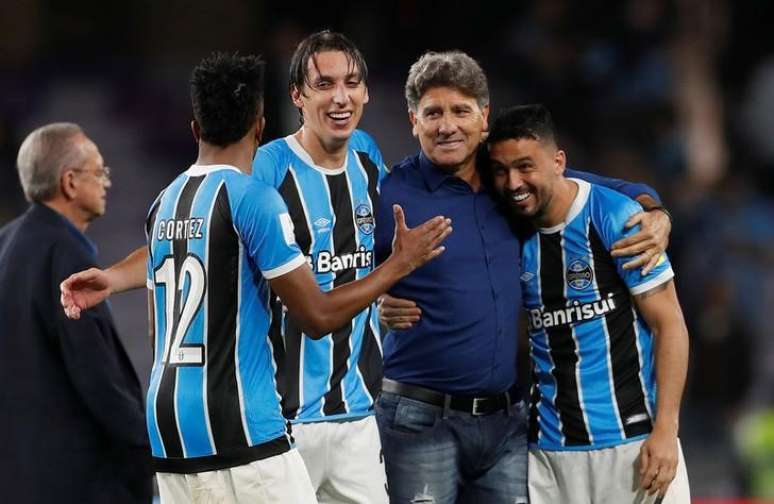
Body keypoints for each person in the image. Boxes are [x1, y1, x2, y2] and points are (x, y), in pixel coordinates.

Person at [61, 52, 450, 503]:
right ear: (262, 125)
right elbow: (318, 316)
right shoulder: (256, 194)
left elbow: (157, 330)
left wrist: (111, 278)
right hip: (250, 426)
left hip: (170, 428)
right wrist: (399, 265)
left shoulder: (165, 203)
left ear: (194, 129)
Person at [373, 51, 672, 504]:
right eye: (432, 113)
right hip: (420, 420)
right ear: (413, 120)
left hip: (505, 424)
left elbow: (592, 185)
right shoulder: (388, 191)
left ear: (484, 117)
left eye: (460, 111)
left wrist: (654, 210)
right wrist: (379, 297)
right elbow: (342, 279)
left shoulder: (509, 184)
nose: (446, 125)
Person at [486, 104, 690, 502]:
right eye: (501, 170)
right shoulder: (509, 232)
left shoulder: (617, 217)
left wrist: (666, 429)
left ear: (559, 161)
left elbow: (671, 325)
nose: (513, 182)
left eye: (526, 166)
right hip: (550, 453)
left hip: (635, 441)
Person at [251, 31, 389, 504]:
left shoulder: (368, 156)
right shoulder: (267, 168)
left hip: (358, 418)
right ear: (297, 96)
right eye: (325, 84)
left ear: (367, 91)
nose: (340, 97)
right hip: (284, 423)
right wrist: (118, 277)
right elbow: (204, 224)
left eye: (351, 82)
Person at [0, 123, 152, 503]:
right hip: (78, 482)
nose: (107, 182)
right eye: (99, 171)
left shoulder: (6, 242)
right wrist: (147, 447)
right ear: (69, 182)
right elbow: (98, 374)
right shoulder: (66, 253)